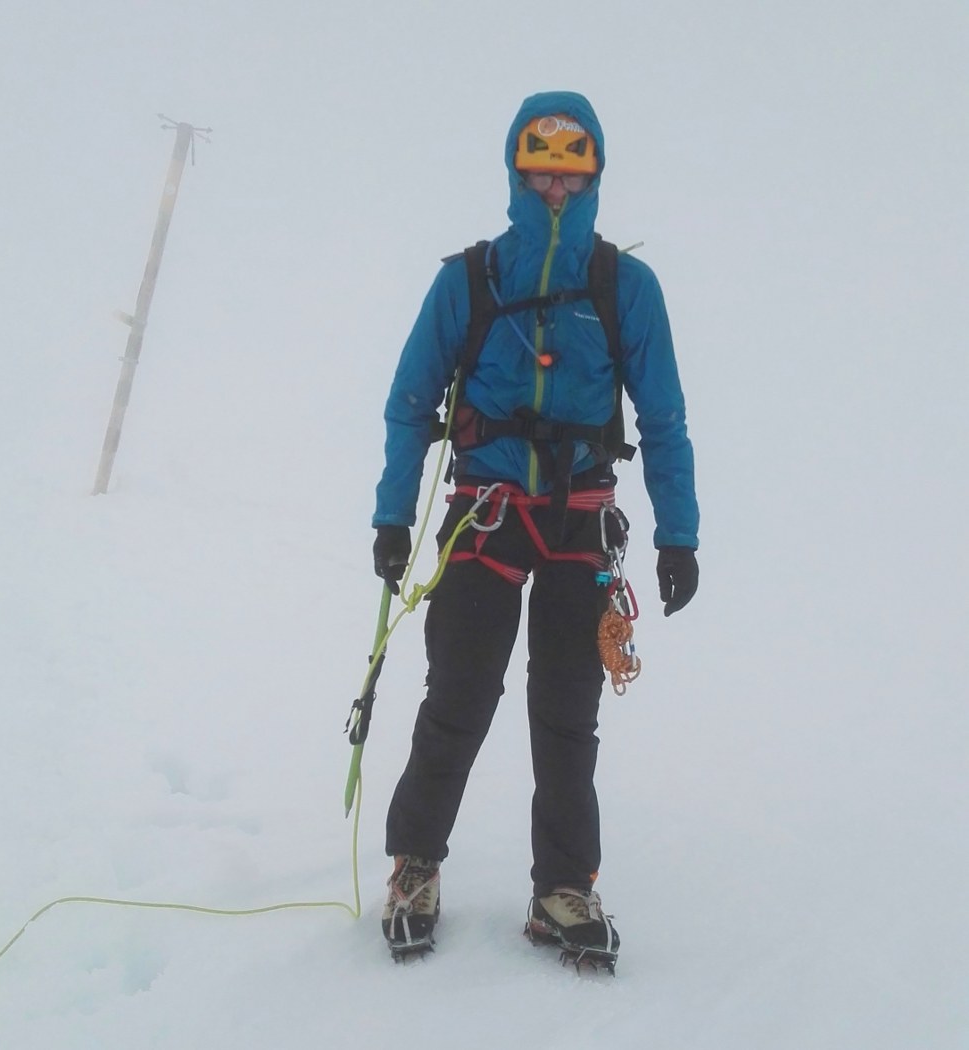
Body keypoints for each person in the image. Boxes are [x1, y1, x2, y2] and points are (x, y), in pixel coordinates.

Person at [371, 90, 699, 963]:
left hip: (579, 522)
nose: (556, 190)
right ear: (517, 174)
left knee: (566, 711)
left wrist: (679, 534)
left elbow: (664, 417)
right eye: (541, 173)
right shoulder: (469, 279)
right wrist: (393, 516)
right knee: (458, 695)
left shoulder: (625, 287)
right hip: (486, 516)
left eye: (570, 175)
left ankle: (563, 887)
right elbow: (410, 403)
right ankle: (415, 865)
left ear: (593, 178)